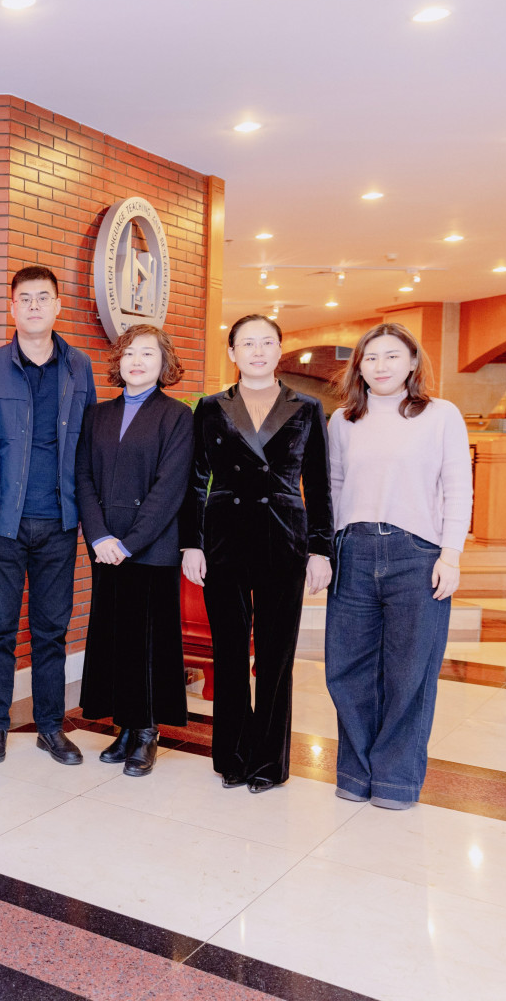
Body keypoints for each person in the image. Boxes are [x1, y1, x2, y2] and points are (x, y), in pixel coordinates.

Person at [182, 314, 333, 793]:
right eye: (247, 343)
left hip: (284, 538)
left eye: (267, 342)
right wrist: (192, 543)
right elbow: (195, 480)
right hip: (224, 538)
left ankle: (268, 761)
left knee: (274, 656)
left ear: (280, 349)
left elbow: (320, 485)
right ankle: (232, 755)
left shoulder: (308, 408)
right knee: (229, 652)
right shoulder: (210, 407)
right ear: (232, 353)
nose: (258, 351)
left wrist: (321, 548)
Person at [324, 323, 471, 810]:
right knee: (347, 669)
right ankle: (355, 772)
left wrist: (451, 553)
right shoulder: (343, 420)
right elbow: (333, 487)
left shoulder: (440, 415)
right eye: (370, 357)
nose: (380, 365)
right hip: (353, 550)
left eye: (391, 356)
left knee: (410, 673)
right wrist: (326, 549)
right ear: (358, 367)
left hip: (417, 555)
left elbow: (457, 486)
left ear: (412, 362)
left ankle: (395, 781)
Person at [0, 266, 97, 765]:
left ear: (58, 306)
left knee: (51, 631)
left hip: (60, 521)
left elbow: (89, 444)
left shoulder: (80, 366)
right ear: (12, 307)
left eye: (43, 298)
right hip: (3, 523)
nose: (34, 306)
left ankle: (49, 726)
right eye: (24, 298)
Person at [75, 324, 193, 777]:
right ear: (118, 362)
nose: (137, 361)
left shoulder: (177, 416)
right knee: (115, 639)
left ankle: (147, 730)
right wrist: (100, 537)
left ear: (164, 363)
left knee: (149, 643)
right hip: (106, 547)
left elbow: (171, 487)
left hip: (151, 548)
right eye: (129, 353)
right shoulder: (97, 415)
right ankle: (125, 725)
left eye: (147, 353)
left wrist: (129, 543)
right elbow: (83, 477)